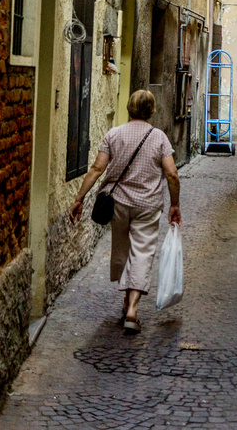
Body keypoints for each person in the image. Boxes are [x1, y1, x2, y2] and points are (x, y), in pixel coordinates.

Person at [69, 89, 181, 334]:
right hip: (148, 205)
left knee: (121, 248)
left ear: (129, 108)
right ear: (151, 111)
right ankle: (132, 309)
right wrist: (174, 204)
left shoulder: (114, 134)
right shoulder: (159, 137)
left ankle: (125, 302)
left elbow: (97, 168)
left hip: (118, 203)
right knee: (142, 252)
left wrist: (79, 198)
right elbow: (171, 174)